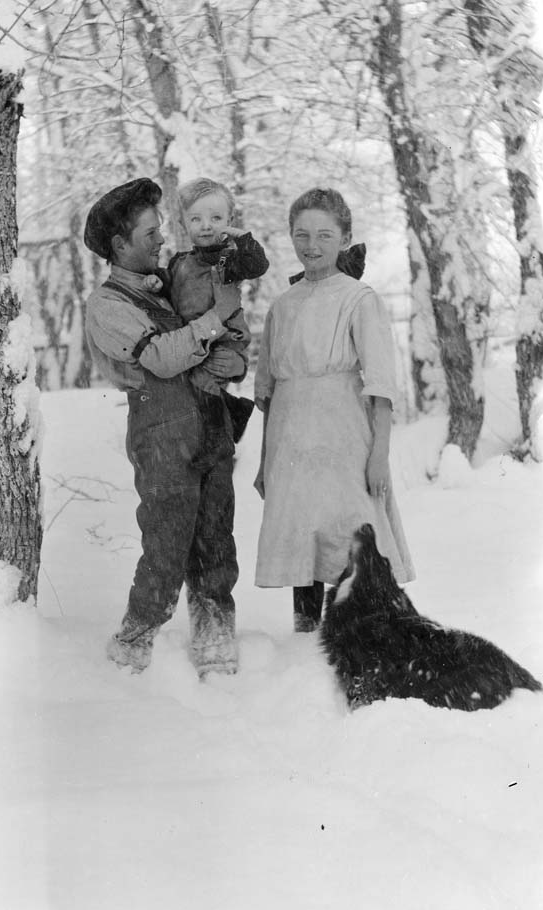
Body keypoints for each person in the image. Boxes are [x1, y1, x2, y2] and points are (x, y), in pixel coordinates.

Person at [83, 177, 247, 677]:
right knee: (167, 540)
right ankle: (135, 641)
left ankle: (214, 632)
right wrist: (218, 318)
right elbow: (162, 356)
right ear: (120, 244)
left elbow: (218, 347)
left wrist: (234, 362)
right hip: (162, 433)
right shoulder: (108, 305)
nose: (161, 239)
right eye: (150, 232)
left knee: (216, 536)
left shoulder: (169, 284)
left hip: (209, 424)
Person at [253, 186, 415, 632]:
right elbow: (268, 391)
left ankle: (353, 642)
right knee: (303, 540)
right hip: (290, 441)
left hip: (343, 437)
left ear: (345, 238)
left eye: (325, 235)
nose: (312, 246)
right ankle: (306, 642)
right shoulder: (282, 306)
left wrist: (379, 455)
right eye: (302, 235)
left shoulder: (359, 299)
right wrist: (267, 462)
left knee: (349, 540)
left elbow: (381, 387)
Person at [167, 177, 269, 448]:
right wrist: (156, 282)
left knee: (205, 389)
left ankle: (219, 434)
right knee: (196, 390)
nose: (206, 225)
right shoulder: (179, 263)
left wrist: (244, 240)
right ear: (183, 223)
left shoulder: (227, 259)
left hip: (222, 340)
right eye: (196, 219)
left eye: (215, 217)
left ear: (229, 220)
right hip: (193, 340)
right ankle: (227, 418)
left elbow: (258, 266)